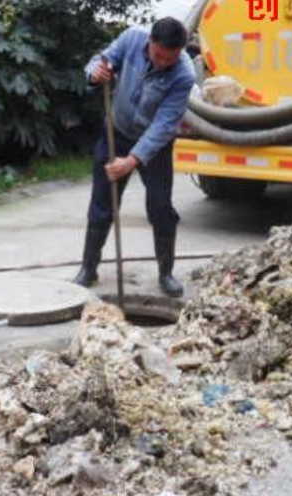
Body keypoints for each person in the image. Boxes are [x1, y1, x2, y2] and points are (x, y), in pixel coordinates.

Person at [73, 17, 195, 298]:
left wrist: (132, 160)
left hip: (155, 146)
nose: (164, 63)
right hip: (116, 133)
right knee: (102, 203)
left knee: (160, 208)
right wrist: (97, 72)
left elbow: (164, 125)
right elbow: (100, 60)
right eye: (159, 55)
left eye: (171, 58)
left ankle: (166, 273)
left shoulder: (184, 74)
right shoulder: (131, 38)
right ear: (149, 42)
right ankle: (88, 268)